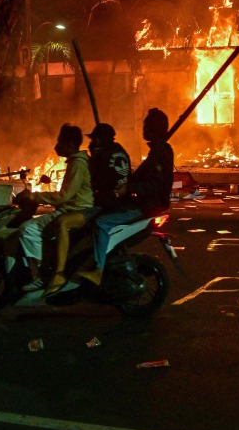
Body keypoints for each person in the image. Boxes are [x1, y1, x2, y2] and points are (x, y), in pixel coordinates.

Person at [79, 108, 174, 286]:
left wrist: (129, 188)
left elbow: (156, 184)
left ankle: (98, 270)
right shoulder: (157, 150)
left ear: (154, 128)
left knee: (102, 223)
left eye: (146, 125)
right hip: (143, 202)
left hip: (147, 206)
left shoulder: (161, 152)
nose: (143, 128)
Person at [45, 123, 130, 294]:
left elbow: (95, 184)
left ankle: (61, 273)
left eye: (92, 140)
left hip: (105, 206)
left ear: (98, 140)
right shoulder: (120, 152)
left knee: (62, 222)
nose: (89, 145)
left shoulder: (98, 158)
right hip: (118, 203)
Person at [17, 124, 94, 292]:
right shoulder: (78, 162)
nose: (56, 146)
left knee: (27, 229)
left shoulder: (77, 164)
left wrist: (34, 196)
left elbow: (63, 196)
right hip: (75, 209)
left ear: (71, 145)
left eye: (60, 142)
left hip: (75, 210)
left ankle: (39, 276)